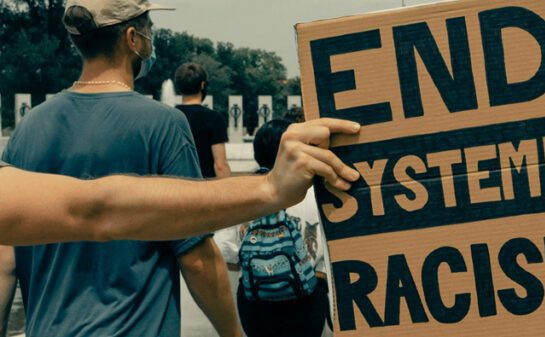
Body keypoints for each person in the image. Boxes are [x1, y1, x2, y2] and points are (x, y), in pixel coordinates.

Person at [2, 2, 252, 336]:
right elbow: (195, 257)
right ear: (133, 39)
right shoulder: (161, 125)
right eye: (150, 28)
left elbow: (6, 261)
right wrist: (233, 332)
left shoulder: (29, 128)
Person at [0, 119, 359, 246]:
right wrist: (268, 189)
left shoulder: (31, 124)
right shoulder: (162, 121)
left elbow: (96, 209)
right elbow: (97, 208)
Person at [214, 120, 335, 337]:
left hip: (257, 302)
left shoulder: (242, 194)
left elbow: (225, 254)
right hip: (308, 297)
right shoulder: (316, 192)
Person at [175, 62, 231, 178]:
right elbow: (220, 165)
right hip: (205, 188)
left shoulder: (169, 117)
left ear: (179, 86)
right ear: (202, 85)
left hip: (176, 188)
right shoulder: (214, 119)